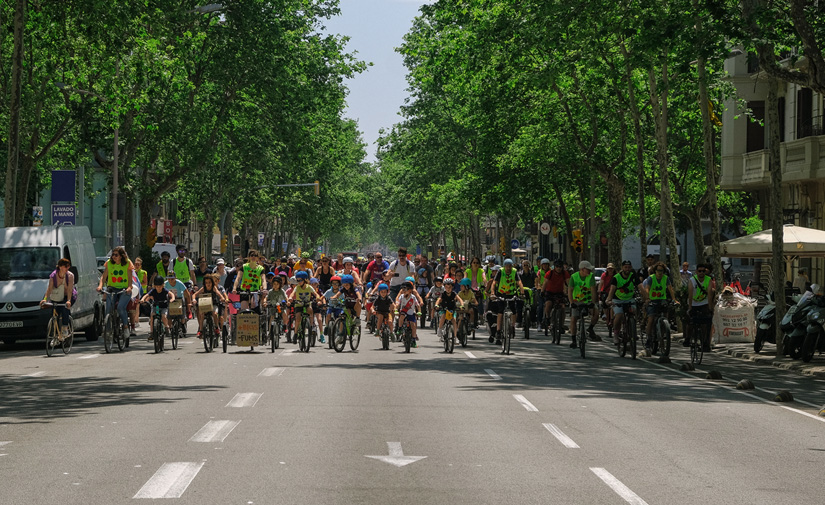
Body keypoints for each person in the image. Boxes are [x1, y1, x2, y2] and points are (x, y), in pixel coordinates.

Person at [97, 246, 135, 335]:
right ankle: (108, 331)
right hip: (112, 288)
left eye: (116, 255)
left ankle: (125, 326)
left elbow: (130, 278)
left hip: (124, 289)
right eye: (112, 255)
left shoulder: (127, 263)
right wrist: (100, 286)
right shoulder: (109, 263)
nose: (113, 257)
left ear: (121, 256)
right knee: (108, 309)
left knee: (120, 307)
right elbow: (103, 277)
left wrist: (129, 288)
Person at [642, 261, 680, 348]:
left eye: (662, 271)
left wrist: (674, 299)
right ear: (655, 271)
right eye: (658, 270)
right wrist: (647, 298)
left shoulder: (666, 278)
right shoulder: (651, 278)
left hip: (662, 300)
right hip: (652, 300)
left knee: (665, 318)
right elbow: (647, 288)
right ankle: (648, 338)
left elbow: (670, 289)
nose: (660, 272)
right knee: (651, 319)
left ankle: (662, 337)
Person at [607, 260, 645, 347]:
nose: (627, 269)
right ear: (622, 268)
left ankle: (632, 331)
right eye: (625, 267)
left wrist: (646, 298)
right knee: (619, 315)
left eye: (629, 267)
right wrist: (609, 300)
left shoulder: (633, 276)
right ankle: (616, 334)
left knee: (634, 311)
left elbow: (641, 287)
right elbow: (612, 290)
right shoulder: (616, 277)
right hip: (618, 300)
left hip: (630, 299)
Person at [489, 258, 524, 345]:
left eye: (510, 266)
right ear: (504, 266)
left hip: (512, 294)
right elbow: (494, 283)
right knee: (500, 312)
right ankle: (498, 331)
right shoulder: (500, 271)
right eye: (507, 266)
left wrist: (522, 293)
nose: (508, 268)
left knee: (514, 311)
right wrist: (493, 293)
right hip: (501, 294)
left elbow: (519, 282)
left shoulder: (514, 272)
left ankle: (513, 326)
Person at [40, 258, 75, 340]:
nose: (67, 268)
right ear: (60, 267)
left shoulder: (70, 276)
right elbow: (49, 289)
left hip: (68, 295)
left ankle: (65, 328)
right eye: (65, 266)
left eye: (68, 266)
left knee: (65, 307)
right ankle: (55, 336)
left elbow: (70, 290)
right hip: (57, 296)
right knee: (54, 313)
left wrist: (69, 300)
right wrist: (45, 299)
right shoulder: (53, 276)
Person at [568, 260, 598, 347]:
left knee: (596, 314)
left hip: (588, 300)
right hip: (576, 301)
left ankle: (590, 328)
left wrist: (593, 302)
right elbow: (570, 290)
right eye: (588, 269)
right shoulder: (574, 277)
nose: (590, 271)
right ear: (582, 269)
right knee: (574, 319)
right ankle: (573, 340)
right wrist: (571, 302)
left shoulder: (591, 276)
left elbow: (593, 290)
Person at [687, 263, 715, 351]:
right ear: (696, 272)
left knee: (705, 324)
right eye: (699, 271)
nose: (701, 273)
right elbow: (690, 295)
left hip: (704, 303)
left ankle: (705, 343)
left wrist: (710, 307)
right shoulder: (692, 280)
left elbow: (710, 295)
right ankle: (687, 339)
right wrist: (690, 307)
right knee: (691, 322)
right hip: (694, 303)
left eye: (703, 271)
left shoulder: (708, 280)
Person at [192, 274, 228, 338]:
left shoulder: (214, 288)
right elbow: (194, 294)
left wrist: (222, 298)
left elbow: (219, 293)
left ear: (212, 282)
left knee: (214, 314)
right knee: (202, 315)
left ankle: (216, 328)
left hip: (214, 304)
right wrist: (194, 299)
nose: (208, 284)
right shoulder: (203, 288)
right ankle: (201, 330)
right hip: (205, 304)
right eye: (206, 283)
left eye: (209, 282)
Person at [288, 270, 322, 338]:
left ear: (305, 280)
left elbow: (315, 294)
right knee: (297, 318)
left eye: (300, 280)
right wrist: (290, 298)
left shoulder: (309, 287)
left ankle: (311, 326)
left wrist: (318, 297)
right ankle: (295, 333)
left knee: (310, 310)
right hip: (298, 304)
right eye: (297, 280)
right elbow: (292, 293)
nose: (299, 282)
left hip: (307, 303)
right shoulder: (297, 287)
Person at [541, 259, 570, 338]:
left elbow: (569, 284)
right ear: (554, 267)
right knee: (548, 304)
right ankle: (547, 318)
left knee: (562, 307)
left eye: (560, 267)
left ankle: (561, 325)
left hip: (560, 292)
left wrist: (569, 292)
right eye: (557, 266)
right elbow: (545, 283)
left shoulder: (565, 273)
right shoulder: (550, 273)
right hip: (549, 292)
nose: (559, 268)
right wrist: (542, 291)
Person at [395, 281, 421, 347]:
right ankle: (400, 328)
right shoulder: (401, 296)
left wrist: (419, 312)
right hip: (403, 311)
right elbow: (398, 304)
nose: (403, 291)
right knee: (402, 316)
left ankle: (413, 340)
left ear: (410, 290)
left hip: (411, 312)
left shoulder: (413, 297)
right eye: (403, 289)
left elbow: (417, 305)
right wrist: (396, 309)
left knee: (413, 325)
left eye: (405, 289)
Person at [598, 263, 616, 337]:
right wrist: (599, 290)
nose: (610, 270)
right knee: (604, 305)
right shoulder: (604, 275)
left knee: (612, 305)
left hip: (613, 292)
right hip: (605, 291)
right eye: (609, 268)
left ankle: (612, 319)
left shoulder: (615, 276)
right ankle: (605, 314)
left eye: (611, 268)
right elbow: (601, 283)